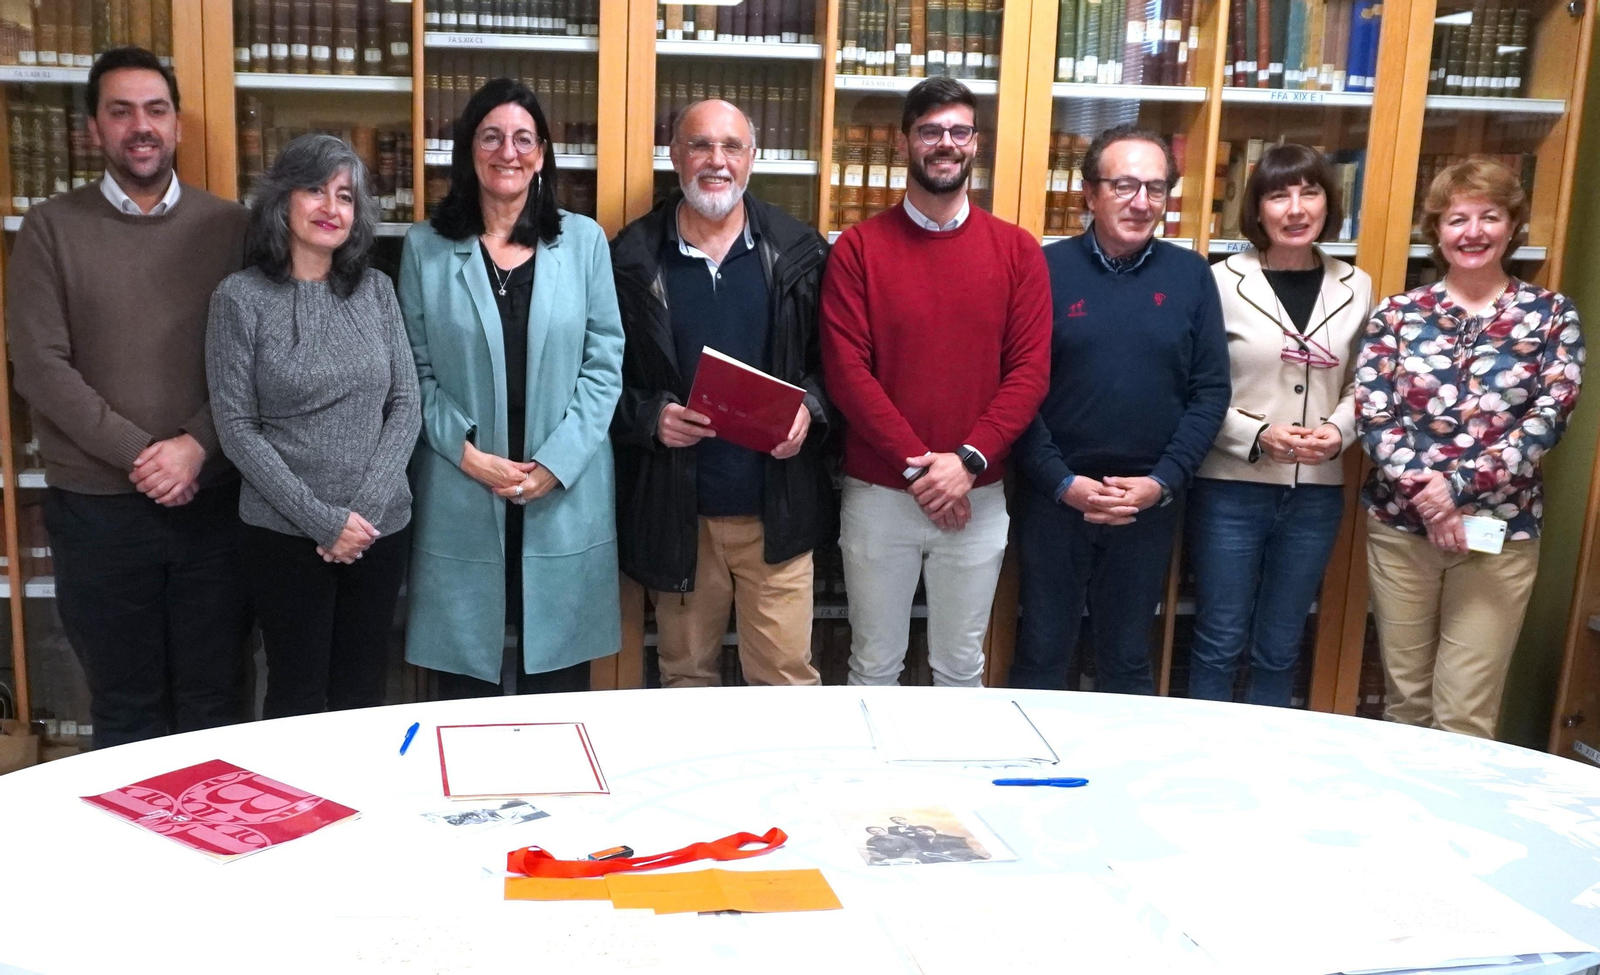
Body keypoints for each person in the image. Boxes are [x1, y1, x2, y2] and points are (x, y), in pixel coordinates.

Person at [5, 48, 253, 749]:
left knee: (217, 700)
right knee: (123, 709)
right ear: (94, 130)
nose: (139, 126)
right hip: (99, 513)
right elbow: (40, 367)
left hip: (213, 507)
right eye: (121, 112)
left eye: (155, 110)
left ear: (176, 125)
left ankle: (219, 855)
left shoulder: (231, 228)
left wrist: (197, 447)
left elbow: (254, 362)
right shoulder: (50, 230)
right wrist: (146, 455)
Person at [820, 77, 1051, 688]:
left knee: (960, 667)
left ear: (976, 143)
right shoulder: (858, 250)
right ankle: (872, 788)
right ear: (904, 144)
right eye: (930, 131)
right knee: (873, 666)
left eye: (958, 131)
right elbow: (848, 373)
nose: (944, 143)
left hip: (978, 493)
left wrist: (967, 462)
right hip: (879, 495)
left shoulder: (1019, 252)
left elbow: (1029, 371)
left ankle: (958, 785)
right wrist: (921, 470)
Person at [399, 77, 624, 696]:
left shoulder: (583, 243)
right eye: (492, 136)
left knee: (558, 684)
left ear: (543, 154)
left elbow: (605, 363)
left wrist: (556, 463)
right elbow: (412, 371)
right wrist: (468, 456)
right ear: (469, 151)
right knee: (459, 684)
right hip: (461, 484)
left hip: (562, 490)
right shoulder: (426, 248)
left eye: (524, 138)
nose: (509, 151)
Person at [1356, 158, 1583, 739]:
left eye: (1490, 216)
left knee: (1464, 712)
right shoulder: (1398, 315)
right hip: (1402, 531)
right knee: (1404, 705)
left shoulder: (1551, 316)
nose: (1473, 232)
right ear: (1437, 230)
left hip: (1498, 537)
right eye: (1458, 219)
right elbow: (1375, 413)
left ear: (1513, 226)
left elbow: (1548, 417)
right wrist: (1428, 498)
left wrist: (1454, 490)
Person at [611, 99, 831, 688]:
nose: (716, 161)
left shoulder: (798, 252)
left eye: (731, 147)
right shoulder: (630, 259)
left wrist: (809, 409)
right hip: (679, 513)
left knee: (787, 682)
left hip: (776, 509)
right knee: (685, 680)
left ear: (752, 159)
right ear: (675, 155)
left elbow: (834, 366)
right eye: (700, 145)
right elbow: (599, 379)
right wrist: (650, 416)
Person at [1009, 123, 1230, 694]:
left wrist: (1161, 482)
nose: (1141, 202)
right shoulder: (1043, 270)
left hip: (1148, 504)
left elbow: (1210, 392)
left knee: (1128, 661)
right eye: (1125, 185)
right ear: (1089, 192)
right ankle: (1028, 778)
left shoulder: (1191, 276)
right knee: (1041, 655)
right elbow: (1014, 388)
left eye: (1155, 189)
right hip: (1054, 497)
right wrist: (1061, 481)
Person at [206, 133, 421, 718]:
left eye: (346, 196)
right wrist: (324, 522)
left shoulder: (376, 290)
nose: (331, 208)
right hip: (284, 536)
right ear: (282, 201)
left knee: (364, 691)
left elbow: (406, 403)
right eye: (314, 190)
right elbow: (237, 428)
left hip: (379, 531)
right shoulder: (239, 299)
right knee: (296, 694)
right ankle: (297, 813)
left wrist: (364, 514)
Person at [1186, 144, 1373, 706]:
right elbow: (1193, 386)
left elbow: (1367, 381)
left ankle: (1267, 771)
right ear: (1257, 208)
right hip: (1230, 487)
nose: (1296, 209)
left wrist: (1340, 431)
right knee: (1218, 640)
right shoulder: (1218, 282)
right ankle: (1198, 766)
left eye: (1309, 192)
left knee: (1282, 645)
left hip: (1316, 493)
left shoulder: (1356, 285)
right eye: (1278, 194)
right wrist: (1255, 434)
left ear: (1327, 202)